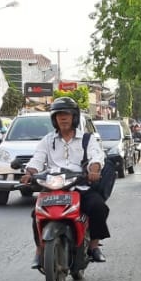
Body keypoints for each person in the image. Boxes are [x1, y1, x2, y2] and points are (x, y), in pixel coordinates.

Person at [22, 97, 110, 266]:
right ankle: (40, 250)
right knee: (36, 214)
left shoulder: (87, 139)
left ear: (74, 117)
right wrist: (29, 173)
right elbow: (37, 159)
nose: (63, 118)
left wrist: (94, 169)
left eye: (66, 114)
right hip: (54, 185)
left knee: (98, 207)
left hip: (79, 184)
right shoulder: (48, 140)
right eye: (59, 115)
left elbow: (96, 156)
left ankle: (93, 246)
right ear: (54, 119)